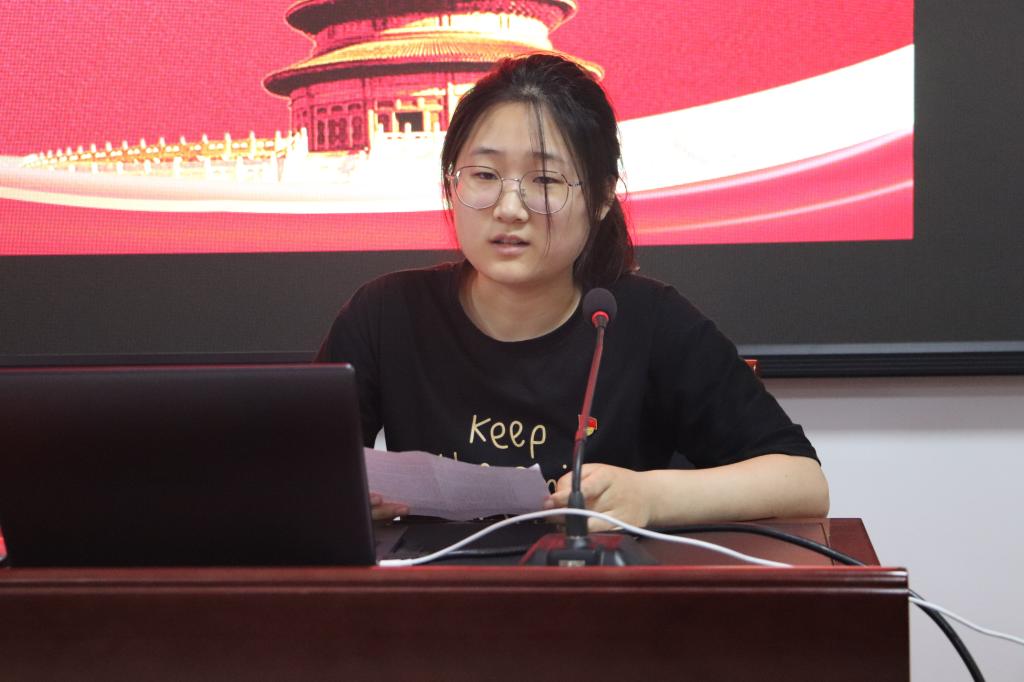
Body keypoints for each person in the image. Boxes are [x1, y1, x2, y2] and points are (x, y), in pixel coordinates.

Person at [317, 53, 829, 530]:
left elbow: (804, 482)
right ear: (452, 184)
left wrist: (650, 497)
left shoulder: (647, 321)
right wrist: (337, 500)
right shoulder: (387, 314)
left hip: (600, 591)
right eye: (484, 175)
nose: (509, 209)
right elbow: (297, 472)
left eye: (545, 180)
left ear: (602, 197)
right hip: (430, 593)